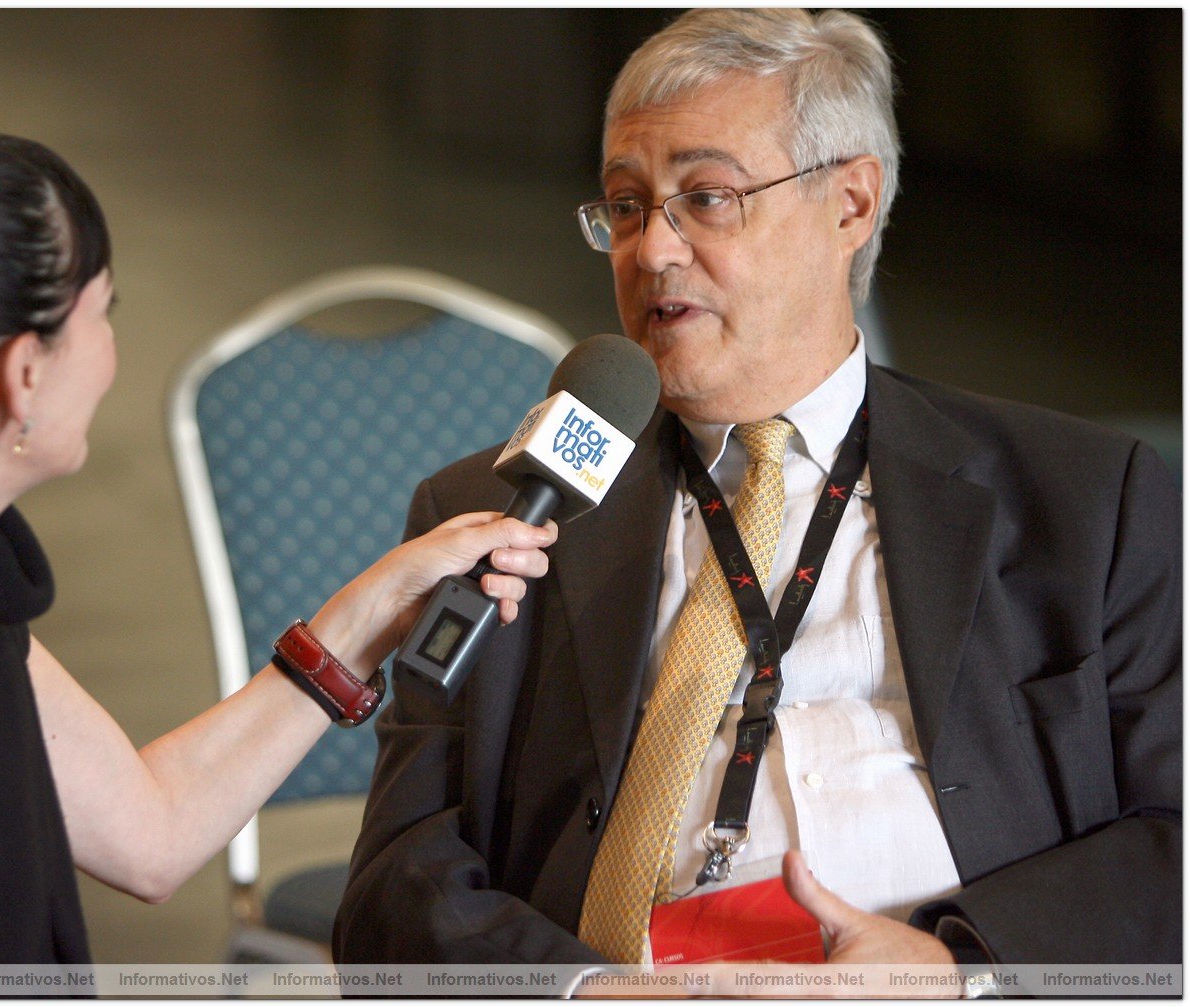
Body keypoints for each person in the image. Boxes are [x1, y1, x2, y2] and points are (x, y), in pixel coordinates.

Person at [333, 7, 1180, 980]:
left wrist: (959, 968)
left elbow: (1173, 837)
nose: (651, 250)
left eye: (706, 197)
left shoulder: (1079, 499)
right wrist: (586, 990)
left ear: (850, 205)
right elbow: (397, 887)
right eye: (626, 204)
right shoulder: (501, 517)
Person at [0, 126, 557, 983]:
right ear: (23, 374)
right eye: (102, 313)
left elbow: (151, 829)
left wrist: (371, 612)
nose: (111, 353)